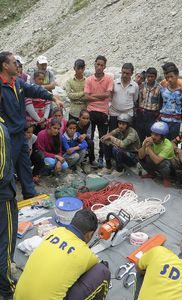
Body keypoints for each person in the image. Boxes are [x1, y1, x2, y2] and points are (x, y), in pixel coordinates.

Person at [0, 51, 63, 199]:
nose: (18, 65)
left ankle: (30, 194)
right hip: (8, 137)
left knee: (24, 165)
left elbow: (34, 89)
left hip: (20, 134)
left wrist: (52, 97)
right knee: (7, 169)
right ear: (4, 65)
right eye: (14, 62)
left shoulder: (17, 82)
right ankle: (6, 200)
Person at [14, 209, 111, 300]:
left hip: (18, 296)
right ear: (89, 234)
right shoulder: (87, 254)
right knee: (102, 270)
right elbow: (92, 268)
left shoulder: (55, 232)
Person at [0, 82, 18, 300]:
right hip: (3, 197)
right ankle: (6, 288)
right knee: (5, 243)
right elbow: (3, 171)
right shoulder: (1, 129)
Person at [84, 55, 114, 168]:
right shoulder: (89, 79)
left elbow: (108, 94)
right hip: (90, 112)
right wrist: (101, 97)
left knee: (102, 137)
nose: (99, 67)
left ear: (105, 66)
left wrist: (93, 96)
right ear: (94, 64)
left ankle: (101, 157)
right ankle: (91, 158)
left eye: (102, 65)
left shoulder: (109, 79)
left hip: (103, 112)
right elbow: (86, 97)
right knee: (89, 136)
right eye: (98, 64)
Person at [159, 62, 182, 140]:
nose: (169, 79)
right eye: (167, 77)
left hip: (175, 122)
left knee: (172, 143)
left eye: (172, 76)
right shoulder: (163, 90)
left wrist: (179, 118)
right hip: (163, 120)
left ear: (177, 76)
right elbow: (160, 103)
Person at [138, 121, 175, 186]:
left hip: (169, 164)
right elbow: (140, 157)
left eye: (156, 135)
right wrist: (144, 145)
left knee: (164, 163)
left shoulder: (168, 145)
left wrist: (148, 147)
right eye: (152, 133)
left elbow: (157, 161)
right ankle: (151, 174)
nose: (153, 136)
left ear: (162, 137)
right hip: (155, 158)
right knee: (143, 158)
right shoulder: (148, 140)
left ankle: (166, 178)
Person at [109, 63, 139, 131]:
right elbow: (110, 97)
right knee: (112, 134)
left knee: (127, 135)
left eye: (127, 73)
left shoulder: (135, 86)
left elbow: (135, 99)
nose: (124, 75)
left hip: (128, 114)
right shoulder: (114, 83)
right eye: (123, 72)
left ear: (132, 73)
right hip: (114, 113)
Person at [135, 67, 162, 143]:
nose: (150, 78)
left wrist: (158, 116)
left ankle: (150, 153)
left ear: (155, 77)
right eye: (148, 76)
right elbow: (138, 99)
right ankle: (140, 153)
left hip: (152, 115)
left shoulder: (159, 88)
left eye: (152, 77)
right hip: (141, 113)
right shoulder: (141, 86)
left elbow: (160, 102)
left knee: (151, 136)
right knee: (140, 135)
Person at [25, 70, 51, 134]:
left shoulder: (45, 91)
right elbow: (29, 108)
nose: (41, 81)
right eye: (39, 79)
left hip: (42, 122)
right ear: (34, 79)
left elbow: (48, 107)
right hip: (32, 123)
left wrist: (45, 118)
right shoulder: (29, 91)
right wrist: (39, 120)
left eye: (43, 79)